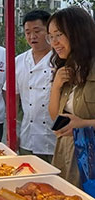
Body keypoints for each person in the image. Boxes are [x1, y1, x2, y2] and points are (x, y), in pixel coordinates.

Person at [47, 6, 95, 187]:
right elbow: (55, 118)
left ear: (78, 33)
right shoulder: (65, 68)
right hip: (66, 154)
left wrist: (83, 124)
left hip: (90, 160)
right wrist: (56, 86)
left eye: (59, 34)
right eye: (51, 37)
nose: (54, 42)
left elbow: (78, 122)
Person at [3, 10, 56, 163]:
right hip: (28, 137)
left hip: (55, 140)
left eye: (37, 31)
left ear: (49, 31)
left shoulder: (60, 59)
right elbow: (12, 97)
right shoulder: (19, 61)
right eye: (28, 32)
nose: (32, 36)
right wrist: (12, 132)